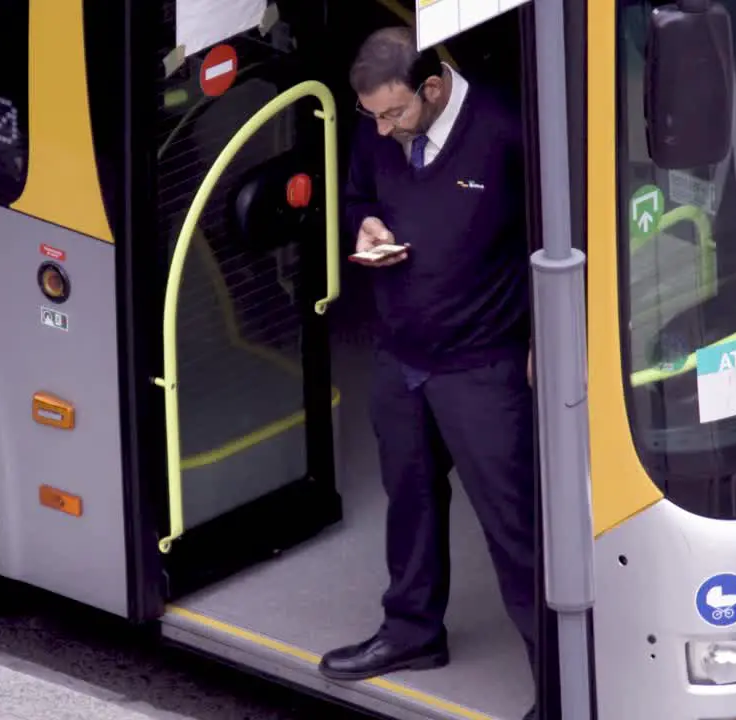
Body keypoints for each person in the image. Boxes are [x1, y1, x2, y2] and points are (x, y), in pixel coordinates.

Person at [318, 26, 537, 720]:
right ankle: (413, 633)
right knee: (408, 502)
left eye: (394, 114)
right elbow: (357, 196)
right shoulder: (378, 131)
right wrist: (366, 226)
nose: (382, 129)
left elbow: (555, 235)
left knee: (515, 527)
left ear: (433, 89)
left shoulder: (505, 131)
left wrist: (544, 337)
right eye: (372, 117)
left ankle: (560, 676)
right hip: (400, 358)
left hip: (484, 364)